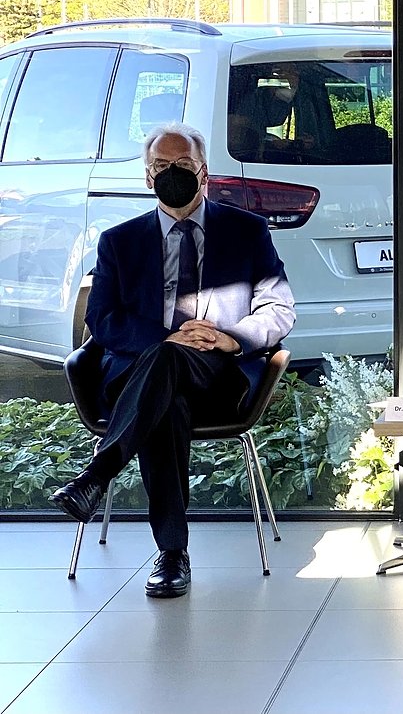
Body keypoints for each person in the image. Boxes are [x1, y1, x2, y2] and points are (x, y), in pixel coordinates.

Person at [51, 123, 295, 599]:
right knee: (167, 396)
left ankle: (98, 476)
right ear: (148, 177)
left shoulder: (246, 231)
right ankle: (171, 552)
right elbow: (102, 319)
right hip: (140, 377)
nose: (171, 173)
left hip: (217, 376)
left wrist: (230, 338)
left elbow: (278, 306)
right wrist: (167, 338)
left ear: (203, 172)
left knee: (169, 374)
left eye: (182, 164)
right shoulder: (119, 241)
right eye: (161, 166)